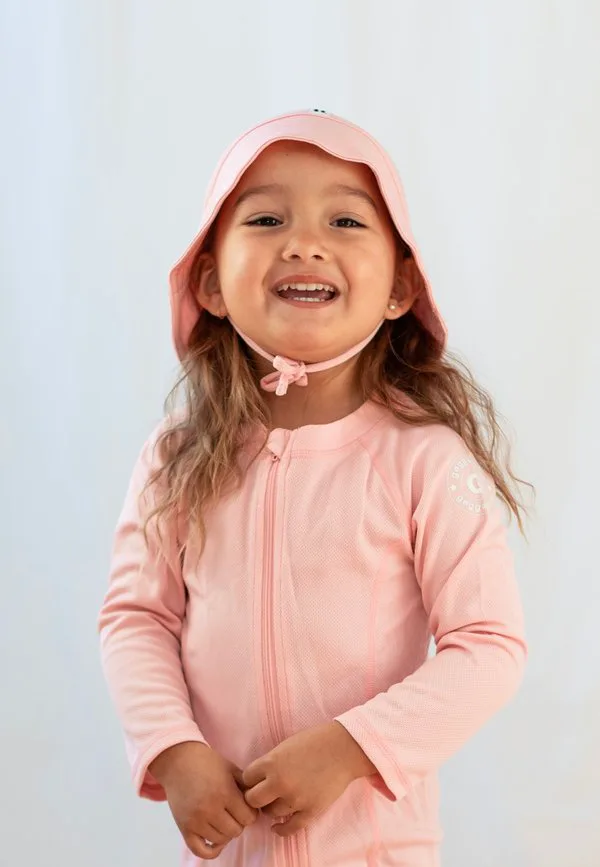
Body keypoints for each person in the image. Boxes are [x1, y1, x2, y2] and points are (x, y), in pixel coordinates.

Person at [99, 109, 530, 866]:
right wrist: (172, 747)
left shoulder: (424, 460)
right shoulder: (177, 455)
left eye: (345, 220)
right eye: (267, 218)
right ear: (211, 282)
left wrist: (352, 746)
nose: (304, 243)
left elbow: (488, 646)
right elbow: (137, 618)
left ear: (400, 285)